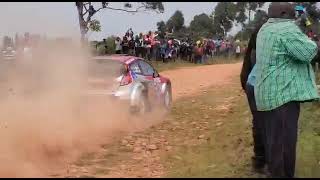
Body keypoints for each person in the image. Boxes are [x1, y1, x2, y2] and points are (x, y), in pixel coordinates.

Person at [255, 2, 319, 178]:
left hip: (267, 97)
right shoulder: (285, 29)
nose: (295, 16)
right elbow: (309, 52)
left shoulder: (265, 29)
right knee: (284, 149)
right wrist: (311, 34)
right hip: (282, 97)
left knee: (274, 147)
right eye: (293, 13)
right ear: (284, 13)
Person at [240, 17, 268, 174]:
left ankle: (259, 161)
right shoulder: (261, 50)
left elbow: (245, 72)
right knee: (266, 124)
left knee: (258, 124)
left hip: (250, 85)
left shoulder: (253, 47)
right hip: (258, 86)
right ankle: (265, 160)